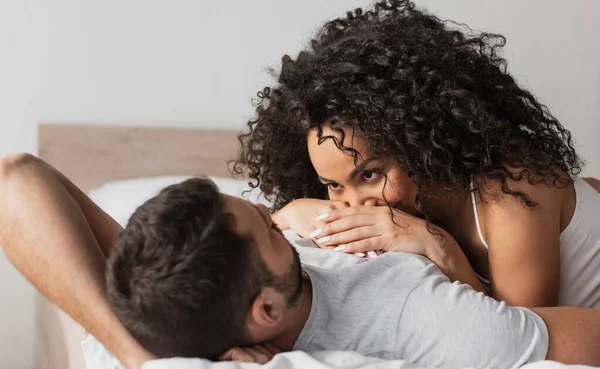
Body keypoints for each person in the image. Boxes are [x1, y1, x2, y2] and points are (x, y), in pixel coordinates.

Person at [2, 156, 599, 369]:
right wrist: (439, 249)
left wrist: (134, 356)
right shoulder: (420, 318)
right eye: (266, 228)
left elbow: (16, 178)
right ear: (264, 311)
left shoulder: (163, 284)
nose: (271, 211)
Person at [233, 0, 600, 308]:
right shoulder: (400, 207)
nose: (355, 204)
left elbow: (523, 336)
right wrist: (296, 211)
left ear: (421, 141)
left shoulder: (512, 194)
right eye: (333, 185)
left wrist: (437, 246)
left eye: (370, 175)